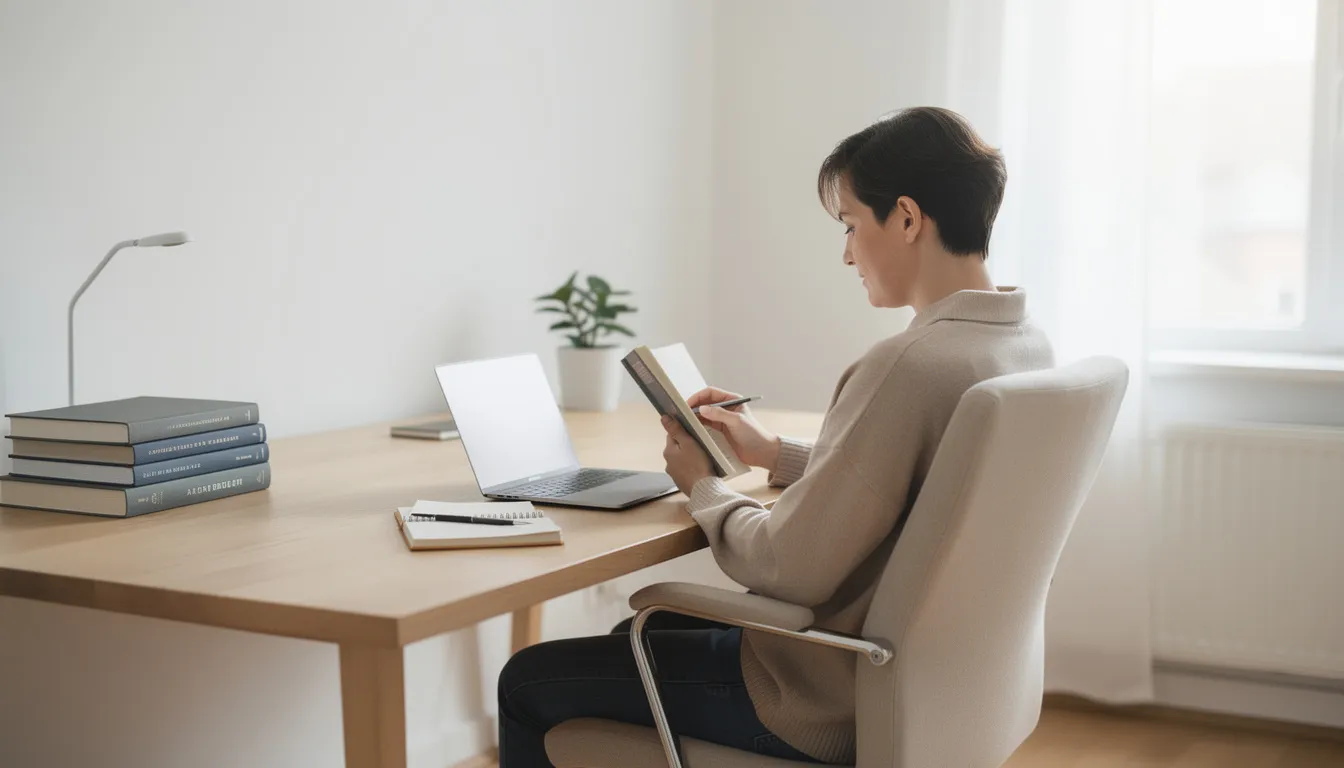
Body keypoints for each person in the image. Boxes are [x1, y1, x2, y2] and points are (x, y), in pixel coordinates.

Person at [496, 106, 1054, 766]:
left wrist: (702, 485)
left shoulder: (907, 365)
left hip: (816, 694)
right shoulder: (1019, 349)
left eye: (850, 225)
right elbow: (929, 487)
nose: (847, 253)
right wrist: (770, 454)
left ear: (905, 218)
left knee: (527, 681)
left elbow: (788, 568)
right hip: (935, 683)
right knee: (636, 640)